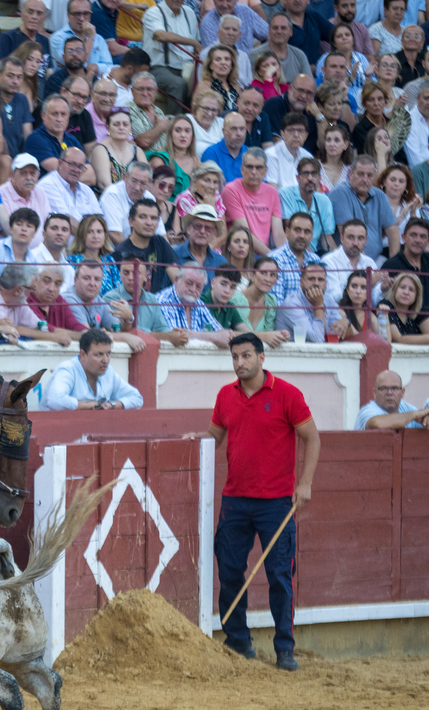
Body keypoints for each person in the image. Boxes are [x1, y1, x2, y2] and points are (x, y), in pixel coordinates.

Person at [188, 331, 319, 671]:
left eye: (246, 356)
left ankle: (284, 649)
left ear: (262, 357)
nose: (240, 363)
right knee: (230, 570)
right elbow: (215, 437)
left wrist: (304, 483)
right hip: (235, 499)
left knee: (279, 575)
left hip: (276, 501)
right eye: (235, 357)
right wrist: (195, 440)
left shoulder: (287, 394)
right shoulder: (225, 396)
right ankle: (238, 641)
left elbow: (312, 437)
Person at [41, 328, 144, 411]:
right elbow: (56, 401)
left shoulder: (108, 372)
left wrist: (112, 405)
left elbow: (137, 398)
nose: (105, 360)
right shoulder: (68, 370)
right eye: (98, 354)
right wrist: (89, 406)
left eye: (108, 354)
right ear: (83, 355)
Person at [0, 262, 72, 345]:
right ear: (18, 290)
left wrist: (60, 333)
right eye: (32, 288)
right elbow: (10, 330)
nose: (33, 292)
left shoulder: (18, 300)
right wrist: (53, 337)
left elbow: (39, 327)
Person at [327, 155, 399, 261]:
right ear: (351, 174)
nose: (365, 179)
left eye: (369, 175)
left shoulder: (380, 195)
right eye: (360, 174)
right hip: (349, 260)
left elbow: (392, 230)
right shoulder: (340, 193)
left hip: (376, 259)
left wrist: (394, 263)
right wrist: (365, 264)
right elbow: (349, 233)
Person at [222, 148, 286, 256]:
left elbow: (278, 234)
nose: (254, 172)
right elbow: (245, 231)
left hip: (263, 254)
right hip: (240, 253)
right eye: (250, 167)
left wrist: (288, 257)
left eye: (259, 167)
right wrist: (271, 256)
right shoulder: (231, 190)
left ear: (265, 170)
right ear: (242, 169)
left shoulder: (272, 192)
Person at [141, 0, 199, 114]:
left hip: (187, 67)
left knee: (204, 82)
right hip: (158, 67)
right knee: (178, 84)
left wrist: (195, 45)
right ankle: (175, 123)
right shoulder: (153, 12)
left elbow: (197, 42)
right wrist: (193, 42)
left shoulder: (190, 13)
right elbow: (161, 35)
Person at [154, 266, 234, 345]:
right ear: (176, 280)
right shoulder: (162, 301)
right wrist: (213, 337)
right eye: (189, 283)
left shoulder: (198, 302)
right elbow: (177, 337)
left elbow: (218, 331)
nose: (193, 289)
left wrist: (225, 335)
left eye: (198, 286)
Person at [376, 270, 429, 343]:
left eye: (411, 290)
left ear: (416, 296)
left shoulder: (418, 309)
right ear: (395, 289)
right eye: (402, 287)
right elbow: (398, 339)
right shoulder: (385, 305)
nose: (406, 292)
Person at [0, 207, 48, 284]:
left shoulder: (33, 259)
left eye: (29, 226)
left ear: (35, 233)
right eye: (19, 224)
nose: (24, 229)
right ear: (11, 229)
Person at [61, 260, 124, 331]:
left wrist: (128, 320)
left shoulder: (97, 299)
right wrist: (104, 334)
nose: (92, 283)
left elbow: (117, 328)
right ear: (75, 280)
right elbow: (87, 335)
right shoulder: (67, 299)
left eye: (97, 279)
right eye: (86, 278)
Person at [252, 13, 313, 87]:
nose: (279, 31)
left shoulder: (300, 55)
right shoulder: (256, 55)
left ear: (291, 32)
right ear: (269, 31)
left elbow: (309, 84)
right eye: (275, 28)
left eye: (283, 28)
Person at [265, 112, 313, 190]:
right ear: (282, 134)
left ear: (306, 135)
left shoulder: (308, 157)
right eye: (291, 130)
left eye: (300, 131)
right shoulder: (271, 155)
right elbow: (272, 191)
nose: (296, 135)